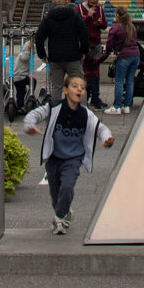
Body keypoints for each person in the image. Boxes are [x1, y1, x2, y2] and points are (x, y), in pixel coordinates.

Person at [23, 74, 115, 235]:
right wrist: (29, 126)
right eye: (74, 86)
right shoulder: (54, 108)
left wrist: (107, 138)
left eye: (82, 87)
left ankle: (59, 219)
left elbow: (101, 128)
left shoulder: (86, 114)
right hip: (53, 158)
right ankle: (64, 211)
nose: (79, 89)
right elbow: (34, 115)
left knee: (67, 186)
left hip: (73, 159)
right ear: (65, 90)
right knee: (55, 193)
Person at [33, 0, 86, 100]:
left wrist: (42, 54)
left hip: (55, 57)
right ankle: (81, 112)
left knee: (56, 87)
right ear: (66, 1)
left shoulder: (49, 17)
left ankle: (56, 112)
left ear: (53, 2)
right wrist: (83, 51)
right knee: (78, 85)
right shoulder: (74, 15)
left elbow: (39, 37)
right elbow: (84, 33)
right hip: (73, 56)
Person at [104, 7, 140, 114]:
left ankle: (117, 106)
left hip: (124, 56)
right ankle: (127, 106)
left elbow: (109, 43)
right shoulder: (132, 27)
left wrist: (108, 52)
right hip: (135, 55)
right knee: (130, 81)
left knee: (119, 81)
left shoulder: (116, 28)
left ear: (117, 16)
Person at [76, 0, 109, 106]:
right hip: (84, 43)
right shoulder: (79, 8)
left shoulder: (99, 8)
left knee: (95, 72)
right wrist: (88, 17)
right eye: (92, 3)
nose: (95, 5)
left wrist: (98, 23)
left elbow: (105, 24)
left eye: (96, 3)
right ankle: (85, 96)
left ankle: (95, 97)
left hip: (96, 42)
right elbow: (77, 24)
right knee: (84, 72)